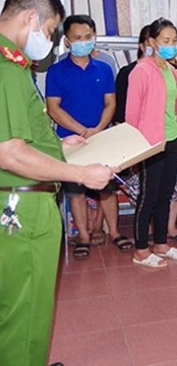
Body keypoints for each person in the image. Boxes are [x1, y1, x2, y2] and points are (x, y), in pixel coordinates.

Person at [0, 0, 112, 366]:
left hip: (16, 200)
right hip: (22, 206)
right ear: (31, 18)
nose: (48, 41)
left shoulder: (12, 65)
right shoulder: (7, 70)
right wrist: (78, 174)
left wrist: (61, 146)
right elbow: (9, 152)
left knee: (14, 304)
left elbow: (23, 136)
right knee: (25, 312)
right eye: (49, 31)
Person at [46, 14, 132, 260]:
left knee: (107, 190)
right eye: (77, 37)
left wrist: (97, 129)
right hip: (69, 141)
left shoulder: (104, 69)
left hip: (101, 138)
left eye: (88, 37)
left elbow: (111, 103)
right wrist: (81, 130)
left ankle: (114, 232)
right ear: (67, 41)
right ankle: (83, 236)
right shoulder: (56, 71)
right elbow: (53, 108)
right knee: (76, 192)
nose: (83, 41)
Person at [115, 25, 177, 246]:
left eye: (174, 40)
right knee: (148, 197)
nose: (171, 45)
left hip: (172, 139)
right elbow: (131, 114)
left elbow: (176, 109)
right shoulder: (141, 70)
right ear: (153, 42)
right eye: (166, 40)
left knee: (166, 195)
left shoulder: (173, 71)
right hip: (150, 144)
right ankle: (141, 249)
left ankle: (161, 244)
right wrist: (135, 146)